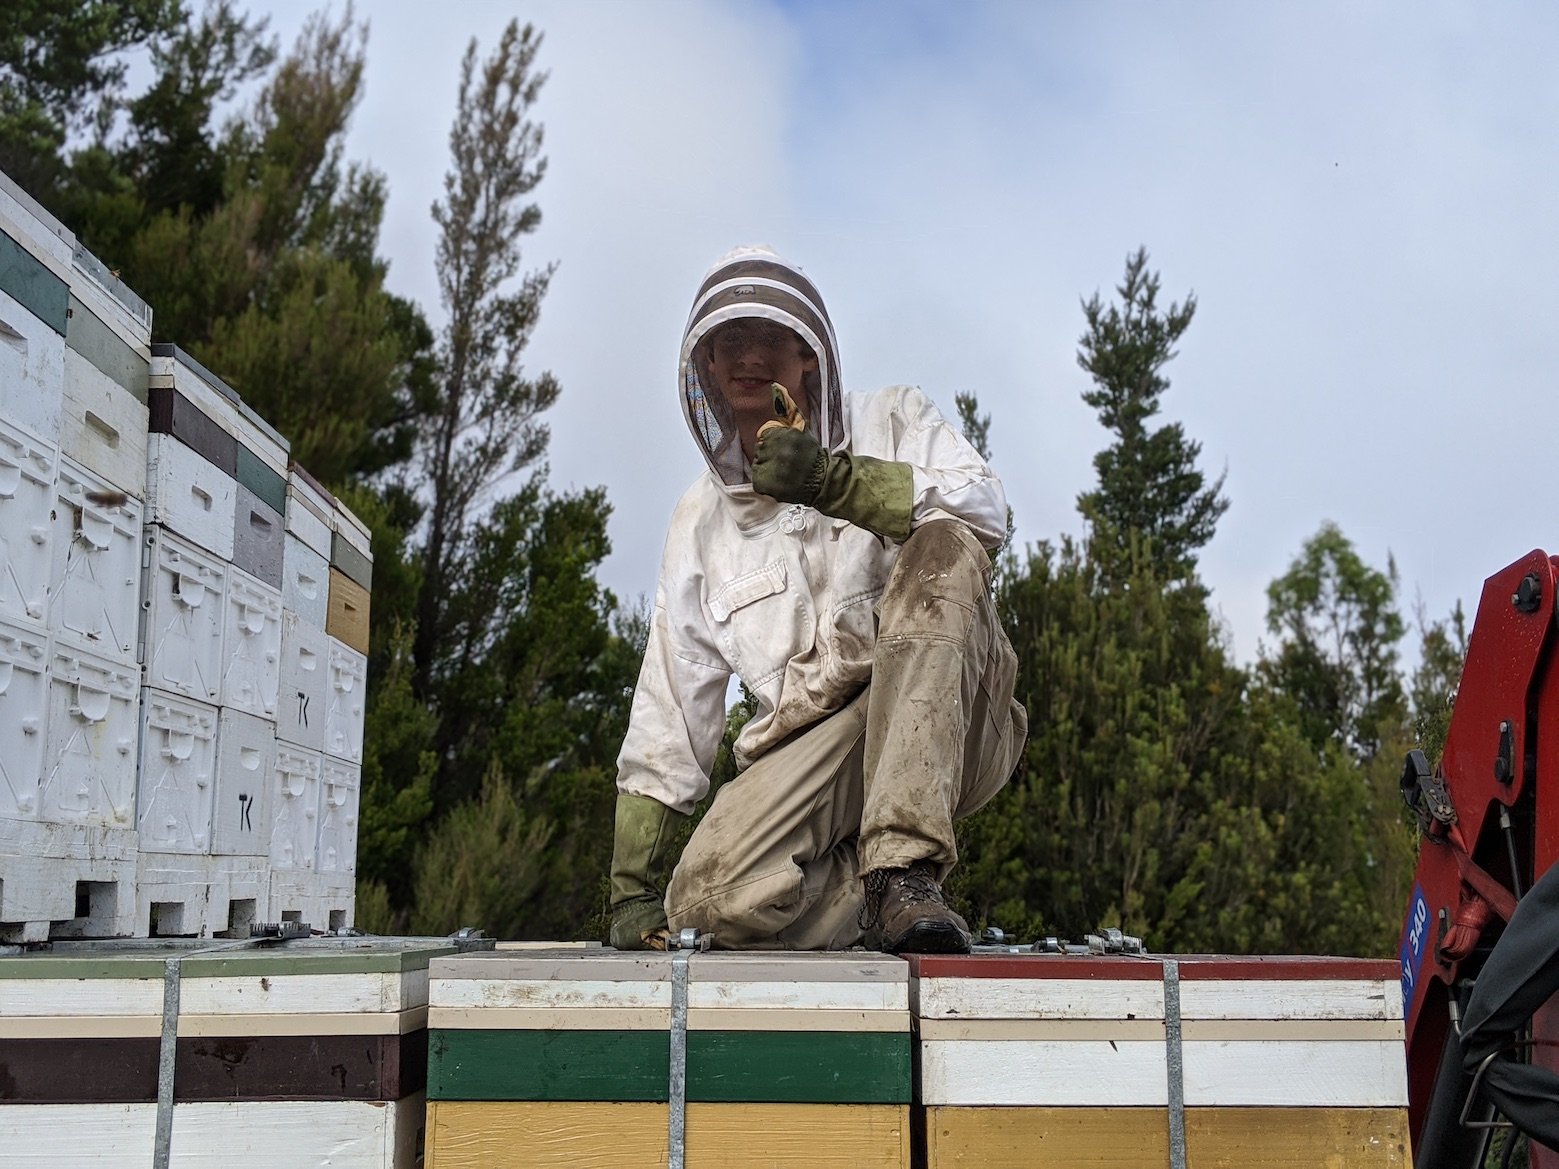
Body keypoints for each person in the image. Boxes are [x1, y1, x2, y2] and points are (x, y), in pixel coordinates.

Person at [608, 245, 1027, 954]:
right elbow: (674, 694)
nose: (749, 357)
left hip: (956, 710)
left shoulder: (893, 417)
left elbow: (986, 509)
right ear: (705, 363)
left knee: (946, 541)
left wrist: (838, 482)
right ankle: (881, 897)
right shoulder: (698, 520)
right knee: (702, 903)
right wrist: (629, 883)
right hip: (820, 761)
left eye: (771, 338)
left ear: (808, 354)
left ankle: (904, 867)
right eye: (729, 341)